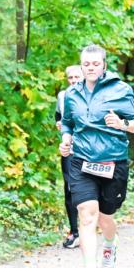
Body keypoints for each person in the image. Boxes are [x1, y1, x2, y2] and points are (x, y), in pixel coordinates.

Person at [59, 44, 134, 268]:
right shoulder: (71, 94)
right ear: (81, 65)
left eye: (95, 64)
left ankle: (110, 242)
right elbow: (67, 123)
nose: (90, 68)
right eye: (86, 64)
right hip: (81, 161)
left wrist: (123, 124)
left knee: (106, 216)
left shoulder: (121, 89)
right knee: (87, 215)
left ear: (104, 65)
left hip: (113, 161)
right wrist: (66, 140)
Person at [55, 65, 83, 248]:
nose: (73, 80)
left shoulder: (94, 94)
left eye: (76, 77)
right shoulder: (62, 96)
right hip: (70, 150)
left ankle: (96, 226)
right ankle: (75, 232)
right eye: (70, 77)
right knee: (70, 190)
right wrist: (58, 123)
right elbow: (58, 116)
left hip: (92, 151)